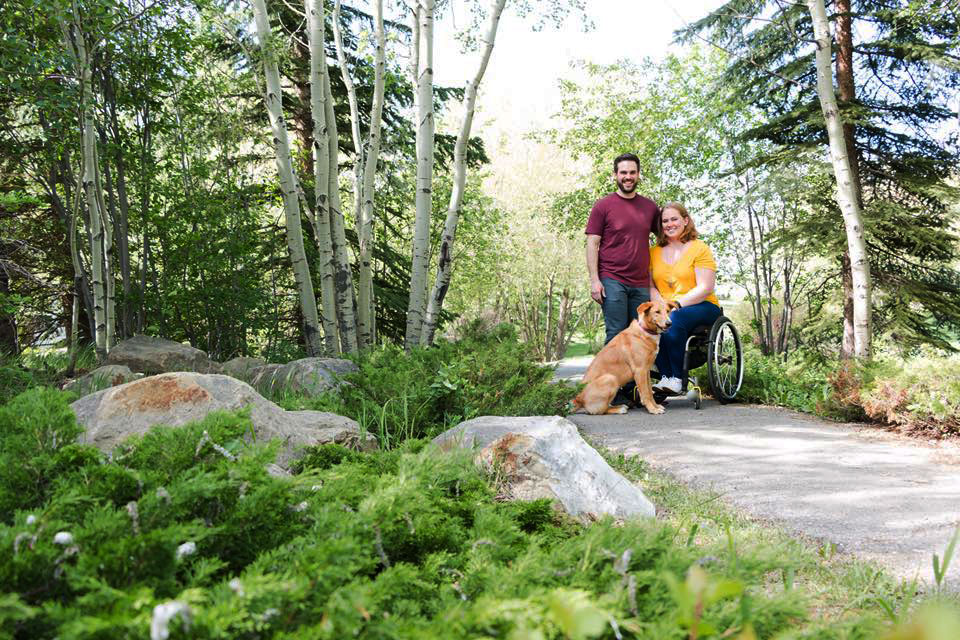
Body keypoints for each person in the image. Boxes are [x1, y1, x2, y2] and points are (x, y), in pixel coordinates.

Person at [585, 153, 660, 345]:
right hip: (612, 279)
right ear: (615, 175)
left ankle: (636, 377)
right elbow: (592, 244)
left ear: (638, 174)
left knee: (641, 336)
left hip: (641, 282)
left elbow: (665, 238)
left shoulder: (650, 207)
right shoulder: (603, 206)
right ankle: (610, 376)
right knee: (617, 334)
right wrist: (595, 281)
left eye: (632, 172)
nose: (628, 176)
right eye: (624, 172)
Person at [649, 202, 721, 395]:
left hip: (701, 305)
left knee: (675, 319)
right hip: (665, 306)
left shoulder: (699, 248)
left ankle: (677, 379)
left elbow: (705, 287)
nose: (669, 224)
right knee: (651, 321)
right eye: (665, 221)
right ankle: (665, 377)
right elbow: (650, 286)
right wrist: (660, 305)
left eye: (674, 219)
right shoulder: (653, 252)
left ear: (685, 220)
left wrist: (677, 304)